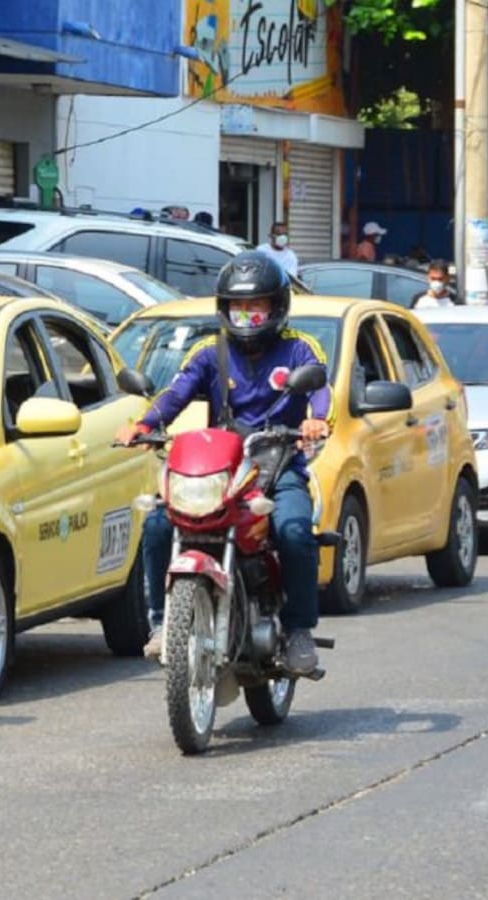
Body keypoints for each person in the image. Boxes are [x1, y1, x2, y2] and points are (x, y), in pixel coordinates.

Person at [115, 251, 331, 673]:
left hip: (277, 466)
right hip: (222, 468)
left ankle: (300, 630)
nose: (247, 314)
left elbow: (320, 389)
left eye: (257, 306)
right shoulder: (208, 352)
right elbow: (175, 395)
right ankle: (161, 624)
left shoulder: (299, 349)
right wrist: (144, 426)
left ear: (277, 307)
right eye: (238, 306)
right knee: (158, 522)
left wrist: (317, 422)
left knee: (294, 531)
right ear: (224, 307)